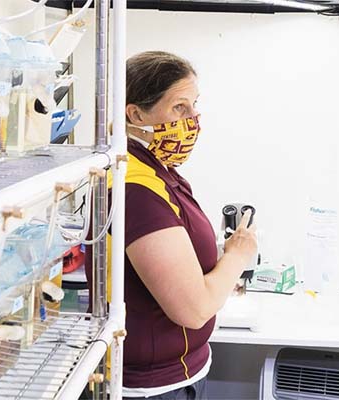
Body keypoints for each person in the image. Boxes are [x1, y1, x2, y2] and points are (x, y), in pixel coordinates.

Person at [84, 51, 257, 400]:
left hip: (175, 375)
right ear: (135, 114)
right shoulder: (136, 189)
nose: (194, 119)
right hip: (152, 388)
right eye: (180, 107)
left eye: (194, 105)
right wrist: (238, 256)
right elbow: (192, 309)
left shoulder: (155, 172)